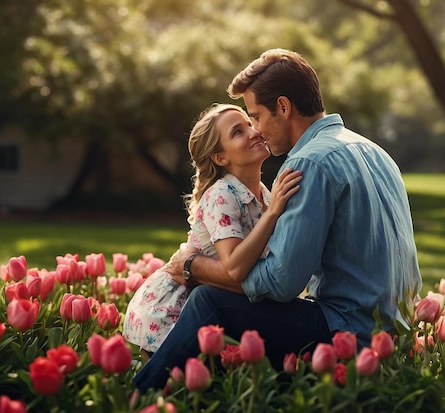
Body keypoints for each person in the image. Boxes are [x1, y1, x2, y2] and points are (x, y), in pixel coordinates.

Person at [132, 48, 422, 393]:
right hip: (396, 334)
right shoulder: (374, 151)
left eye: (255, 116)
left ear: (283, 108)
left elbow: (280, 284)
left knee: (210, 301)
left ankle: (138, 396)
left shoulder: (309, 163)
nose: (256, 129)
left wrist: (194, 266)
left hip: (350, 333)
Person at [122, 103, 302, 361]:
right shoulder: (221, 195)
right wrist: (273, 213)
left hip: (213, 304)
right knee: (174, 393)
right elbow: (235, 268)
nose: (254, 132)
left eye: (250, 124)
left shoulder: (264, 193)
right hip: (172, 308)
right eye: (238, 132)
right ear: (220, 158)